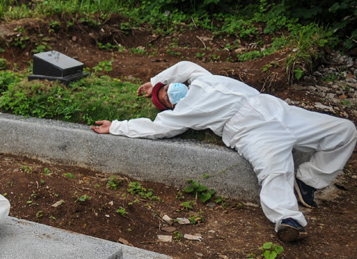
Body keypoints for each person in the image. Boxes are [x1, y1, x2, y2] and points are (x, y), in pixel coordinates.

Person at [91, 61, 357, 242]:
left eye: (166, 89)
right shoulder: (184, 113)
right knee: (275, 172)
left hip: (279, 111)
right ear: (170, 108)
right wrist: (115, 126)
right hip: (252, 131)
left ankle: (308, 181)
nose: (168, 93)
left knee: (344, 131)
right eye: (164, 99)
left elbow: (184, 66)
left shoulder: (201, 79)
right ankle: (288, 219)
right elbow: (154, 128)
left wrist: (154, 81)